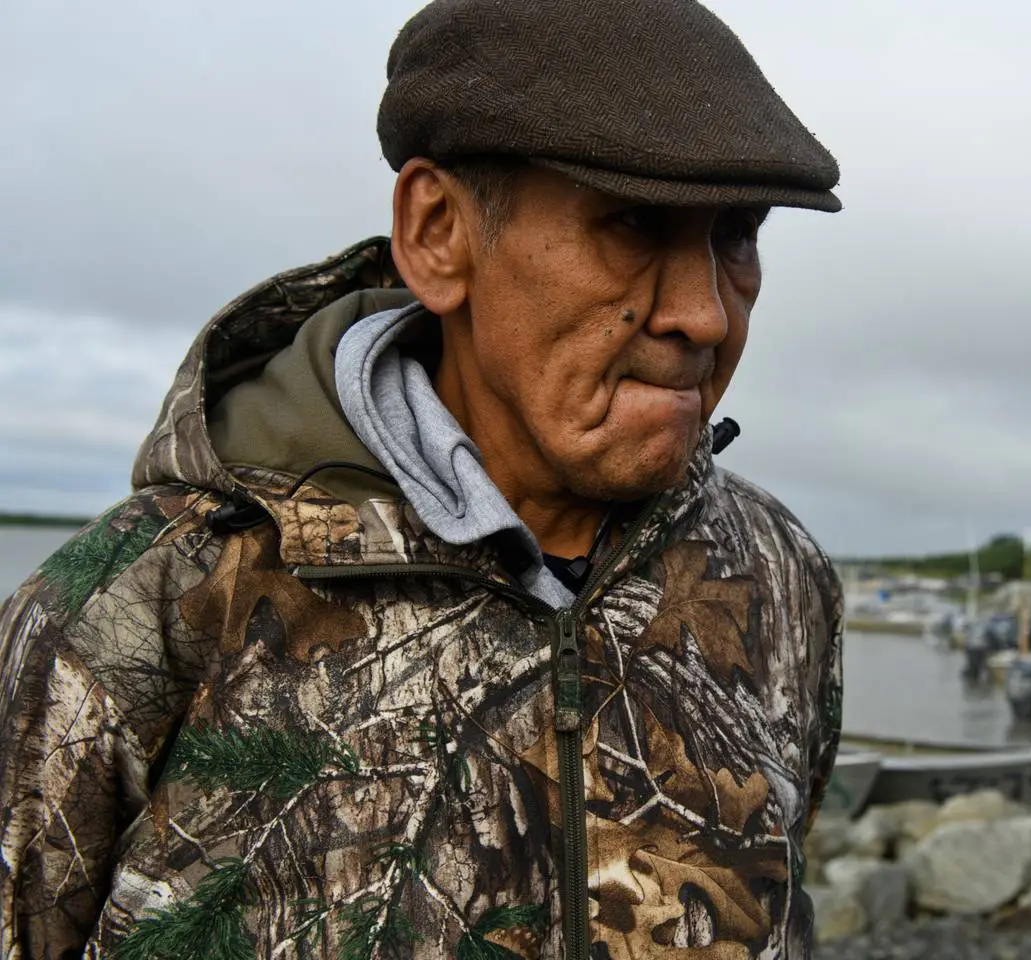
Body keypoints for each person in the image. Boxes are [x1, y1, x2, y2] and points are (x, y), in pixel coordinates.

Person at [0, 1, 845, 957]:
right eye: (634, 222)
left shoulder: (780, 577)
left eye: (736, 235)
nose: (704, 313)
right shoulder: (135, 610)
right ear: (439, 232)